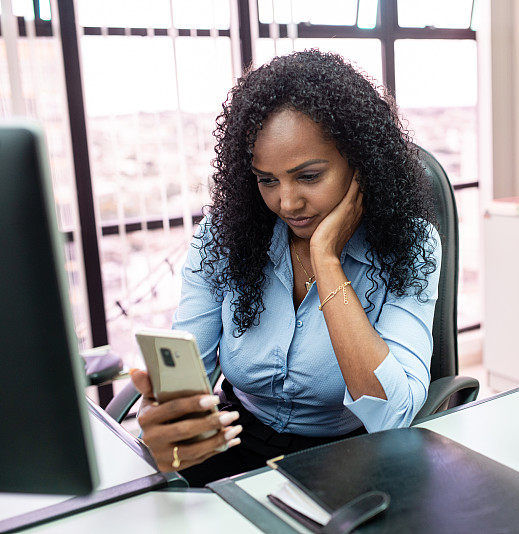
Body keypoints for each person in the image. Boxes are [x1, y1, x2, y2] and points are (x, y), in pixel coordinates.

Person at [131, 50, 442, 487]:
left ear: (361, 163)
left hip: (348, 457)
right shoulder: (223, 237)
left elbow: (394, 413)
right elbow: (185, 380)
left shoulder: (410, 244)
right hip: (232, 443)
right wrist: (162, 420)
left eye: (309, 176)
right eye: (267, 180)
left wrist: (327, 260)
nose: (287, 203)